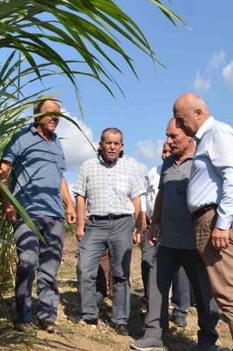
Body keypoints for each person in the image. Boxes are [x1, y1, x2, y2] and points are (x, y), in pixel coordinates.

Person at [172, 93, 233, 351]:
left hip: (215, 219)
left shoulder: (219, 133)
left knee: (229, 294)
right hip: (208, 220)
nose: (178, 125)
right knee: (226, 292)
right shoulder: (206, 139)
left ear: (198, 113)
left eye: (181, 118)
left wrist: (222, 223)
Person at [132, 119, 220, 351]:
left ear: (190, 135)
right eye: (167, 136)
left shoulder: (202, 161)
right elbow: (161, 194)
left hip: (195, 242)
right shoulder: (169, 163)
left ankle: (207, 340)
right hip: (167, 241)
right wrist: (155, 223)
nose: (168, 142)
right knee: (156, 286)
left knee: (203, 293)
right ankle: (153, 333)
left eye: (173, 137)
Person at [0, 99, 76, 335]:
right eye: (51, 113)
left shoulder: (56, 144)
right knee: (27, 262)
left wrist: (69, 205)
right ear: (37, 116)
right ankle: (22, 316)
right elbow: (3, 171)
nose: (56, 118)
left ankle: (47, 317)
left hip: (54, 214)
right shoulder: (22, 136)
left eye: (58, 114)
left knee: (50, 269)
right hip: (27, 211)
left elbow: (59, 176)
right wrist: (8, 205)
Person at [74, 127, 145, 336]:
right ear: (101, 144)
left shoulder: (130, 168)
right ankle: (89, 314)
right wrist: (79, 225)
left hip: (123, 224)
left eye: (116, 143)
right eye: (108, 142)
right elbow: (80, 197)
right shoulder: (87, 166)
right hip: (95, 224)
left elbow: (137, 199)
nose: (112, 147)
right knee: (84, 267)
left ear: (122, 146)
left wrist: (138, 227)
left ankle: (120, 319)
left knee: (121, 273)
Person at [140, 141, 192, 326]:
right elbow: (145, 197)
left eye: (169, 150)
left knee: (180, 271)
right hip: (154, 224)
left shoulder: (189, 167)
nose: (166, 153)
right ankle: (152, 307)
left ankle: (180, 310)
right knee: (149, 264)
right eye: (164, 150)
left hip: (176, 225)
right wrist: (145, 221)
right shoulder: (153, 172)